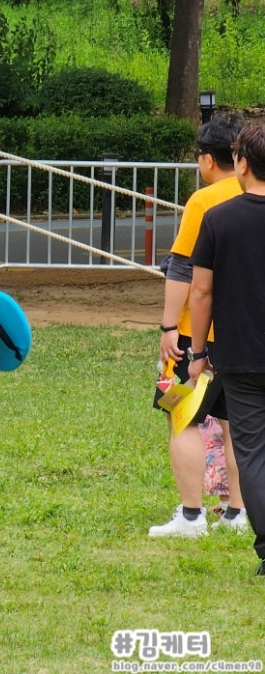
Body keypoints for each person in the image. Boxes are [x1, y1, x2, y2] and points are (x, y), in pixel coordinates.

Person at [150, 114, 247, 537]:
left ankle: (191, 516)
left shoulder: (203, 201)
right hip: (241, 332)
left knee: (182, 417)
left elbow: (182, 268)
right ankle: (238, 513)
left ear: (208, 159)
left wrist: (169, 327)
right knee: (237, 424)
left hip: (196, 332)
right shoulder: (255, 194)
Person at [189, 122, 265, 577]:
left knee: (253, 452)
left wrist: (198, 352)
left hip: (238, 353)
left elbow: (201, 293)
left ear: (241, 163)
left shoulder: (217, 219)